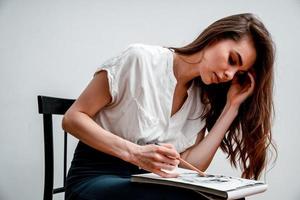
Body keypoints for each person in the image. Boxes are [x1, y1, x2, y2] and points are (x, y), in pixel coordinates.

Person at [62, 13, 276, 200]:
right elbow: (72, 118)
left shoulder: (203, 100)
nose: (229, 75)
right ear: (216, 37)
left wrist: (232, 107)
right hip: (96, 177)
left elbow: (191, 166)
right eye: (231, 59)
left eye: (238, 73)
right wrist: (135, 153)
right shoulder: (139, 59)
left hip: (149, 183)